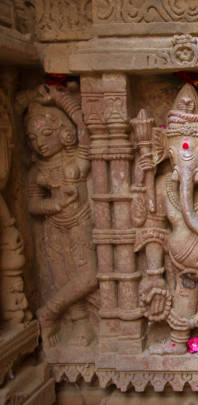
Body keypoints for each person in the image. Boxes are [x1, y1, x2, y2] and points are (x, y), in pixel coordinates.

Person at [25, 85, 97, 347]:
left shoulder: (75, 160)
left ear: (63, 133)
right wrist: (54, 203)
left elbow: (84, 129)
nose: (40, 143)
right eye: (33, 138)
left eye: (46, 134)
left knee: (89, 275)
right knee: (63, 276)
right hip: (54, 227)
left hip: (80, 221)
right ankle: (79, 324)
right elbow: (33, 204)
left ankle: (50, 312)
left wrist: (61, 99)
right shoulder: (38, 172)